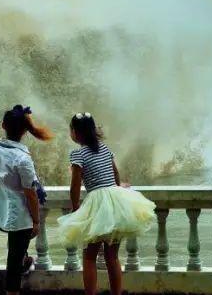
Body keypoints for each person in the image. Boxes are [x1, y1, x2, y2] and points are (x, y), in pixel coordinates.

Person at [57, 112, 156, 295]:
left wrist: (76, 209)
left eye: (71, 129)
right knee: (112, 257)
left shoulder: (77, 154)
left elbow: (75, 186)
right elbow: (115, 173)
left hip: (97, 203)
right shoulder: (104, 148)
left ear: (76, 133)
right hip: (115, 201)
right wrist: (119, 187)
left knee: (89, 257)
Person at [0, 105, 53, 295]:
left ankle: (24, 260)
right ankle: (13, 288)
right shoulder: (22, 159)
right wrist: (37, 220)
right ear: (24, 131)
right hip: (19, 216)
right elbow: (30, 193)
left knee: (16, 251)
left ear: (3, 125)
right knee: (13, 260)